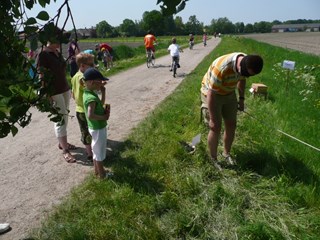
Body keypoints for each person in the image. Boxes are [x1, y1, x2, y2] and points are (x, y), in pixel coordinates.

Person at [200, 53, 263, 170]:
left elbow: (242, 80)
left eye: (248, 75)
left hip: (228, 93)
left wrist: (242, 99)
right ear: (240, 66)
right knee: (215, 127)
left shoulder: (245, 63)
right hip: (212, 94)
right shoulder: (222, 68)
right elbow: (211, 94)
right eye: (244, 73)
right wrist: (213, 119)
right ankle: (213, 159)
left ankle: (226, 153)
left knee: (231, 124)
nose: (245, 76)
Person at [36, 27, 77, 163]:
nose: (60, 42)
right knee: (60, 118)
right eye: (58, 39)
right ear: (50, 39)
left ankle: (62, 143)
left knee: (64, 117)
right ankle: (65, 150)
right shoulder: (43, 54)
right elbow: (41, 75)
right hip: (53, 91)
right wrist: (46, 94)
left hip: (64, 88)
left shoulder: (57, 52)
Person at [82, 67, 111, 179]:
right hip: (98, 127)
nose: (101, 84)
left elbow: (101, 103)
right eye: (100, 82)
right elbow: (91, 115)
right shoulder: (91, 98)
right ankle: (102, 175)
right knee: (99, 153)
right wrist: (104, 116)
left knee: (95, 150)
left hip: (94, 127)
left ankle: (96, 171)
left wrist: (103, 92)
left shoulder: (88, 93)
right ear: (92, 82)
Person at [71, 53, 96, 161]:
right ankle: (95, 152)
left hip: (78, 109)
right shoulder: (83, 78)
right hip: (87, 108)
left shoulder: (74, 76)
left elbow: (73, 94)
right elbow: (90, 90)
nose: (93, 66)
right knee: (93, 129)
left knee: (84, 131)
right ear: (82, 65)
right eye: (91, 64)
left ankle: (89, 153)